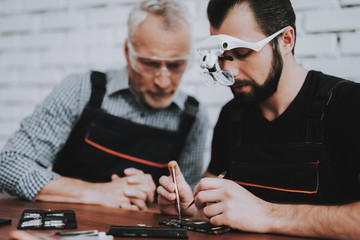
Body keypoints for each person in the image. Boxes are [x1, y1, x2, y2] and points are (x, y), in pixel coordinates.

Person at [157, 0, 360, 239]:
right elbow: (208, 207)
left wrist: (266, 214)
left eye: (242, 53)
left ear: (286, 40)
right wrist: (188, 208)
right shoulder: (232, 115)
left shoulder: (347, 105)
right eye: (222, 57)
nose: (229, 72)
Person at [0, 0, 209, 211]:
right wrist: (97, 192)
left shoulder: (193, 117)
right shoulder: (81, 90)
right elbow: (8, 165)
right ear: (128, 52)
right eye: (150, 63)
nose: (163, 81)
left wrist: (159, 200)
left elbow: (187, 207)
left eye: (176, 65)